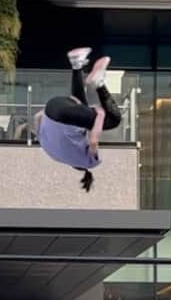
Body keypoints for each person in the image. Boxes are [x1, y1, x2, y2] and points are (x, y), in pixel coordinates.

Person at [34, 47, 122, 193]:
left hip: (65, 116)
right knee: (82, 107)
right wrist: (51, 111)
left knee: (113, 120)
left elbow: (93, 140)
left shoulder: (89, 162)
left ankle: (98, 82)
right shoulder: (53, 154)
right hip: (52, 106)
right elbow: (37, 118)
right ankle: (76, 64)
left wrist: (99, 116)